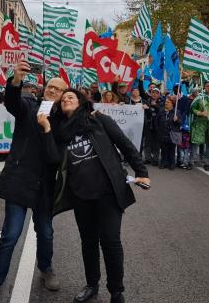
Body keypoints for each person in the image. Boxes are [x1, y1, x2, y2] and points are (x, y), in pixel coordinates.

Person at [37, 89, 149, 303]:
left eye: (71, 97)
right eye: (63, 99)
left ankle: (116, 291)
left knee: (110, 241)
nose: (66, 99)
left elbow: (124, 143)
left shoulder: (97, 120)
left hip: (108, 192)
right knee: (88, 242)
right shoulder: (60, 131)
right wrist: (47, 128)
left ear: (81, 102)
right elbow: (52, 158)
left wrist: (142, 173)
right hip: (80, 194)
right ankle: (92, 285)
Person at [0, 60, 68, 301]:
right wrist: (16, 79)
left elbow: (56, 157)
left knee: (46, 232)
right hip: (19, 180)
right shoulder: (29, 106)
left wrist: (48, 127)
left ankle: (46, 268)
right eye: (50, 86)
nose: (52, 90)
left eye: (58, 89)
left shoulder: (63, 121)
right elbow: (12, 101)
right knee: (10, 234)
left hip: (45, 185)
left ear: (64, 95)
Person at [156, 97, 181, 170]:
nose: (166, 103)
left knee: (171, 150)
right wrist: (158, 130)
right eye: (166, 102)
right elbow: (157, 121)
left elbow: (180, 123)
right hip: (162, 133)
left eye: (168, 102)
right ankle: (163, 162)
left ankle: (171, 163)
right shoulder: (161, 111)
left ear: (172, 104)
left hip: (172, 134)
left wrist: (177, 120)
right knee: (163, 150)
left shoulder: (176, 112)